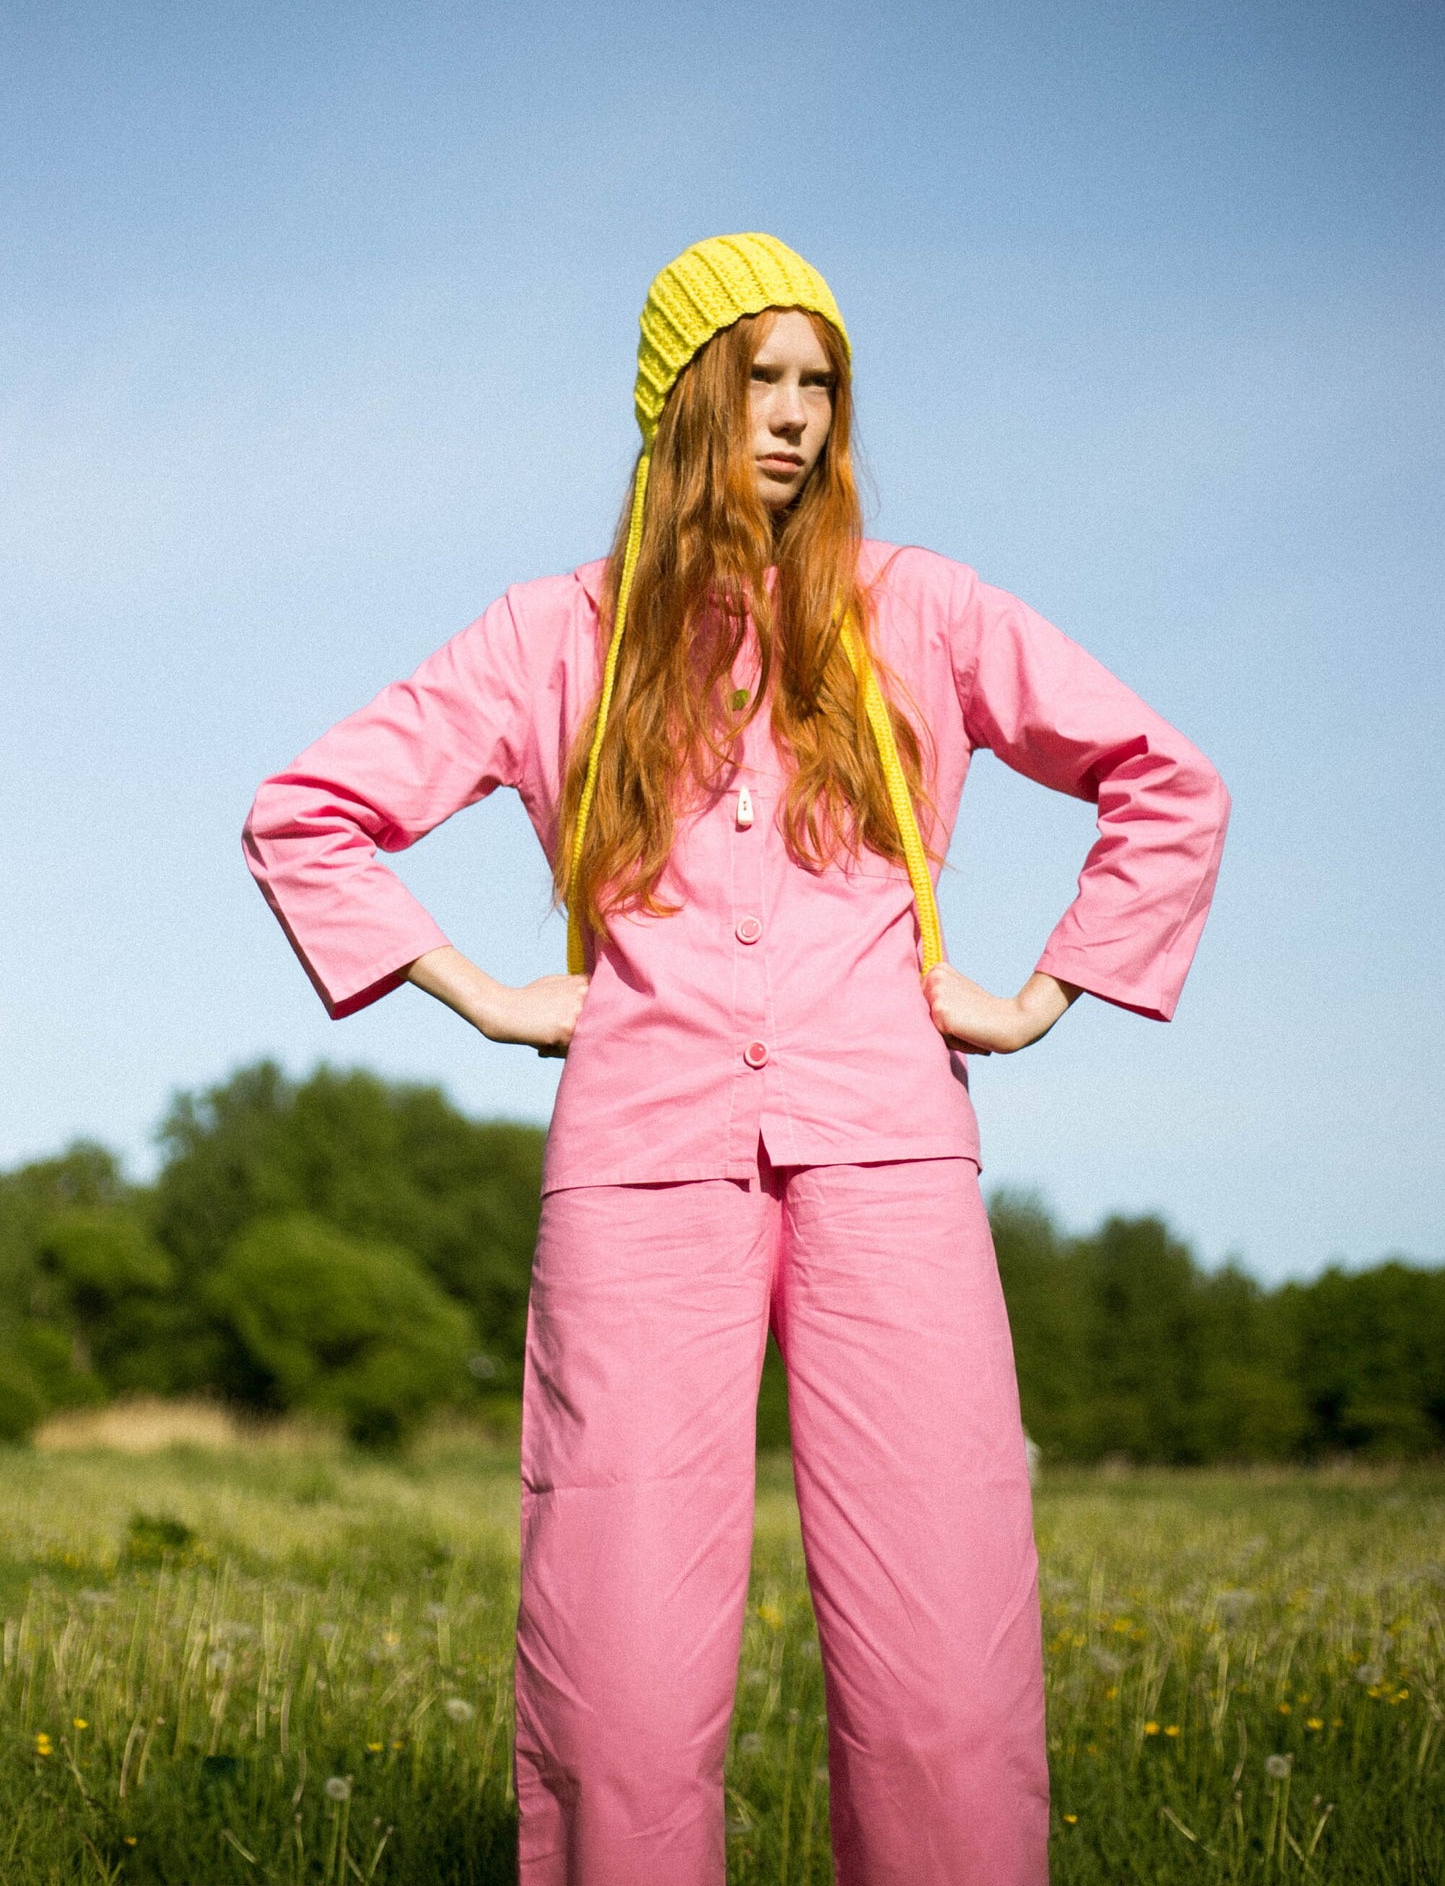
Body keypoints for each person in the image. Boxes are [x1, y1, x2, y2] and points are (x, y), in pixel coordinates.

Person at [244, 233, 1230, 1885]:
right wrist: (484, 996)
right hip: (637, 1166)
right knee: (613, 1674)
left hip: (889, 1156)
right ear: (681, 398)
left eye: (818, 383)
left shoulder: (920, 608)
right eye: (757, 378)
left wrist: (1043, 994)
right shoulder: (552, 635)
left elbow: (1165, 780)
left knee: (944, 1673)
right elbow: (306, 814)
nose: (793, 415)